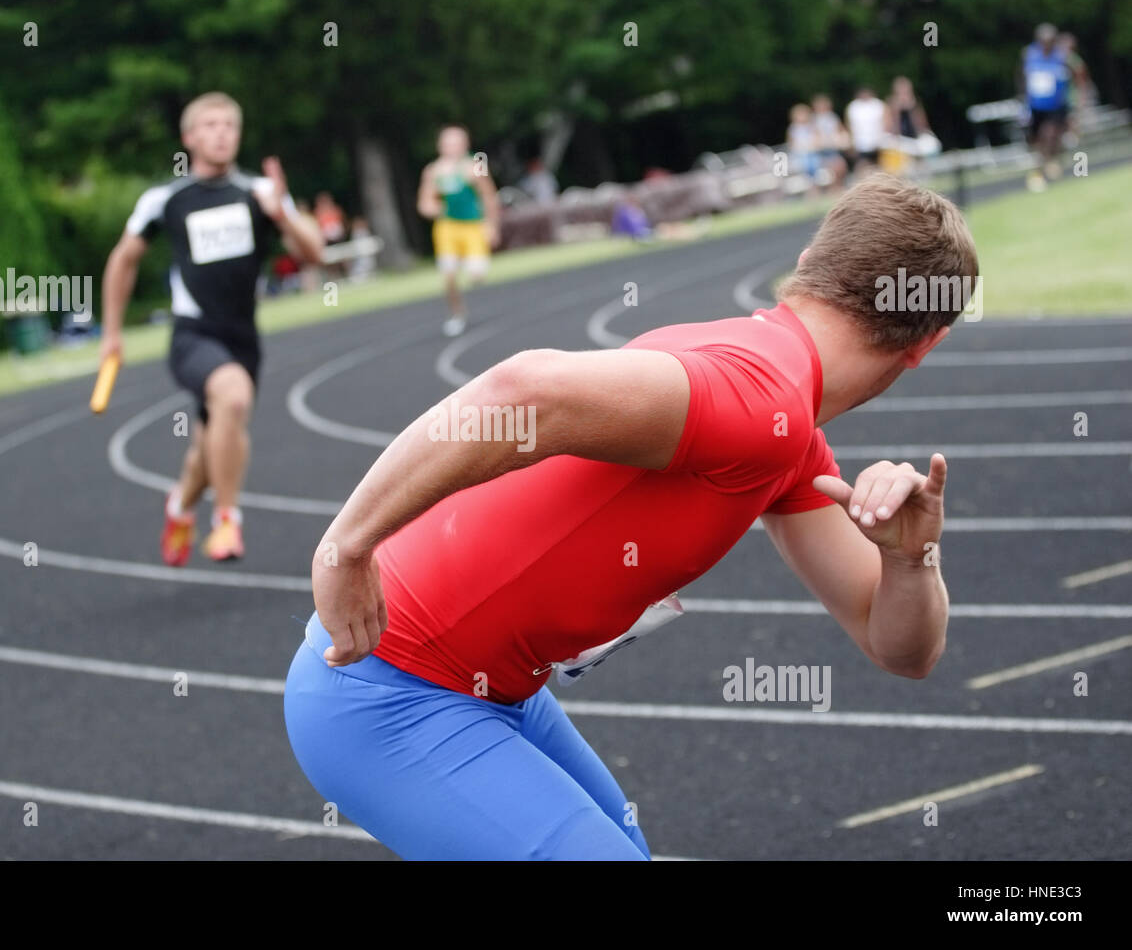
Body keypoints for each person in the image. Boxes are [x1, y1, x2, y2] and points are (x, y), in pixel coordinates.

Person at [285, 173, 972, 860]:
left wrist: (908, 559)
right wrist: (346, 548)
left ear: (807, 267)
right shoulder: (761, 399)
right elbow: (523, 390)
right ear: (927, 344)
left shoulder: (786, 431)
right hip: (385, 691)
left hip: (489, 693)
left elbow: (901, 649)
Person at [100, 92, 323, 566]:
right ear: (189, 137)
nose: (221, 133)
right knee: (234, 398)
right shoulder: (165, 200)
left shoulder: (260, 192)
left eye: (229, 125)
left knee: (211, 444)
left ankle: (181, 506)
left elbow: (315, 253)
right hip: (193, 336)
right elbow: (123, 261)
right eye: (210, 125)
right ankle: (227, 522)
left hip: (243, 338)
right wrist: (111, 334)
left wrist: (281, 213)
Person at [417, 125, 501, 336]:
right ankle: (457, 313)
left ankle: (469, 262)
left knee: (477, 274)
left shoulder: (475, 166)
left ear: (465, 145)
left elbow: (489, 196)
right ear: (440, 146)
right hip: (447, 227)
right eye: (448, 143)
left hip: (472, 225)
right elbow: (424, 203)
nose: (452, 147)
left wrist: (491, 225)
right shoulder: (433, 171)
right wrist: (434, 208)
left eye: (456, 143)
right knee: (449, 275)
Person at [1020, 23, 1080, 191]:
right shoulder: (1029, 55)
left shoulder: (1062, 56)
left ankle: (1050, 163)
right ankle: (1044, 165)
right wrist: (1023, 100)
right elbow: (1022, 78)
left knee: (1049, 133)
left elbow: (1076, 75)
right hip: (1036, 105)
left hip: (1056, 105)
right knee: (1037, 139)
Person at [811, 94, 850, 191]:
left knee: (841, 166)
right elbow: (814, 137)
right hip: (820, 153)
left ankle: (837, 187)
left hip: (832, 149)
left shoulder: (832, 118)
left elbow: (841, 131)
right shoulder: (814, 119)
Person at [845, 86, 887, 176]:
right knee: (862, 166)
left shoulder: (878, 105)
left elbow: (886, 123)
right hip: (860, 144)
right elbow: (849, 126)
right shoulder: (853, 107)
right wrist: (852, 142)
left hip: (877, 143)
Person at [786, 103, 822, 191]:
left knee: (813, 162)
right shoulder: (793, 128)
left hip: (811, 152)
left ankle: (814, 186)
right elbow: (791, 144)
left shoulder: (812, 127)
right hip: (800, 153)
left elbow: (817, 140)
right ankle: (811, 186)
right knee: (804, 163)